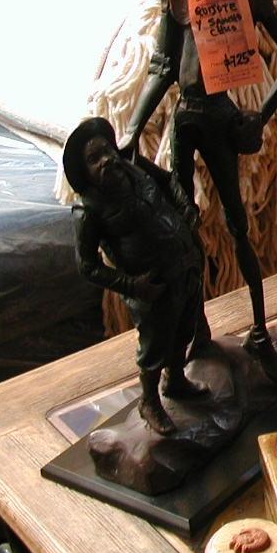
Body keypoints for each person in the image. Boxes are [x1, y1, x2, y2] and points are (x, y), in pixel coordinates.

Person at [121, 0, 277, 379]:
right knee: (183, 229)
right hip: (186, 118)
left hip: (222, 117)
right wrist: (132, 129)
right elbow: (163, 66)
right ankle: (195, 330)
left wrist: (260, 116)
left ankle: (260, 329)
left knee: (237, 224)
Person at [65, 117, 208, 435]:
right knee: (154, 347)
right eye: (94, 159)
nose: (106, 160)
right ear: (84, 171)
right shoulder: (88, 211)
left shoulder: (135, 168)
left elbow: (170, 181)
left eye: (106, 150)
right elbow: (87, 266)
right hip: (150, 286)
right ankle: (150, 401)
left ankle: (177, 381)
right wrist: (131, 285)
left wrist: (186, 207)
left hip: (183, 265)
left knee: (184, 329)